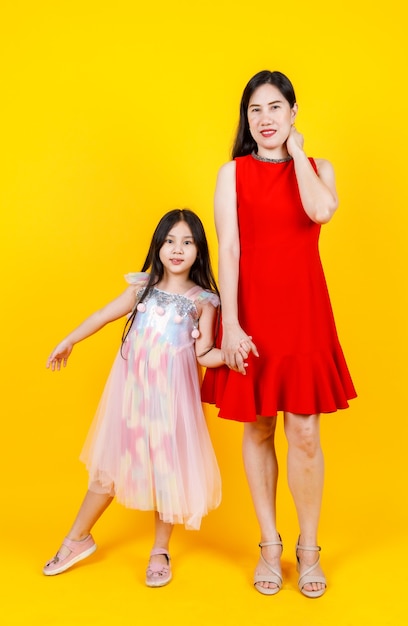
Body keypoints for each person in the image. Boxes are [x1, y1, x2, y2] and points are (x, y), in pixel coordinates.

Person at [202, 70, 357, 598]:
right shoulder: (233, 174)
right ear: (245, 119)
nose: (264, 119)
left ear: (293, 112)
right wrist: (233, 324)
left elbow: (320, 211)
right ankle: (269, 544)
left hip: (305, 313)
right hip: (252, 313)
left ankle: (308, 549)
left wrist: (296, 155)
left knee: (306, 431)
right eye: (254, 110)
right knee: (259, 427)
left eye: (274, 108)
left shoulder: (318, 169)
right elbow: (228, 251)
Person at [43, 209, 231, 587]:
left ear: (199, 250)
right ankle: (78, 538)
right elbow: (102, 315)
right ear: (158, 246)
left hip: (172, 405)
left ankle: (160, 550)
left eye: (187, 242)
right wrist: (70, 340)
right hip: (131, 399)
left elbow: (204, 353)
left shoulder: (203, 302)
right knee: (109, 468)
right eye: (170, 241)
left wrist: (230, 356)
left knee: (167, 472)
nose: (177, 250)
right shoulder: (140, 287)